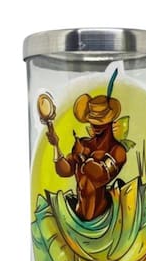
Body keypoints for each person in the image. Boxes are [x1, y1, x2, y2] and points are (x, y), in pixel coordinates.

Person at [46, 93, 126, 221]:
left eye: (100, 122)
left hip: (103, 218)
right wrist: (56, 145)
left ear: (111, 121)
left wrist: (83, 154)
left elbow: (101, 175)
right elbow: (65, 170)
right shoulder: (83, 143)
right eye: (93, 121)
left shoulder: (118, 151)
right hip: (77, 215)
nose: (95, 126)